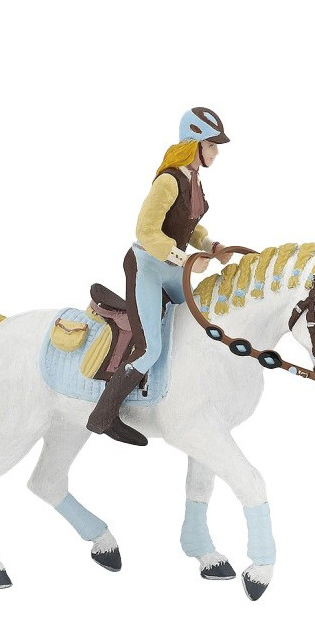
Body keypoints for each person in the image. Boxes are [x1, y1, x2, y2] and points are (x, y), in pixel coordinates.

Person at [87, 107, 230, 446]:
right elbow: (146, 230)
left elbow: (187, 225)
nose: (216, 152)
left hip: (171, 268)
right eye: (211, 145)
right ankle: (103, 416)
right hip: (148, 267)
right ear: (195, 144)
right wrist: (186, 259)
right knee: (150, 348)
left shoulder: (194, 179)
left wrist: (211, 245)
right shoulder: (168, 181)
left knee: (195, 323)